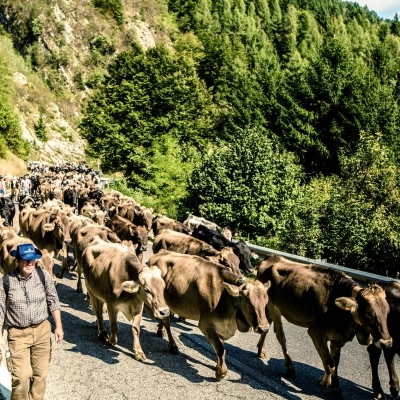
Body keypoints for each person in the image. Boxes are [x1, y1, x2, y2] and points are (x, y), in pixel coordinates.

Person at [0, 243, 64, 400]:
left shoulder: (43, 276)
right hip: (18, 334)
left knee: (40, 376)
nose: (29, 263)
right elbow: (0, 312)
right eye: (25, 260)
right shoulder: (6, 282)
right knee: (21, 378)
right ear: (18, 260)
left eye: (32, 260)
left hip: (42, 330)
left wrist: (58, 326)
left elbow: (53, 301)